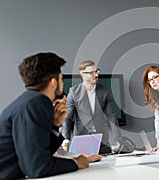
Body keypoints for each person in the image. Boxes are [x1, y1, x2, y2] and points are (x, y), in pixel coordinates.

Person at [0, 52, 102, 180]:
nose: (62, 83)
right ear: (54, 82)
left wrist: (55, 126)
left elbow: (40, 154)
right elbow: (37, 168)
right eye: (61, 79)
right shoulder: (37, 102)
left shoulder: (27, 101)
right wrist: (77, 163)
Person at [61, 60, 120, 154]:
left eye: (96, 71)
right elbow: (67, 118)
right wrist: (66, 139)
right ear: (82, 74)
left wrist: (117, 138)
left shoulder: (105, 90)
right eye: (92, 72)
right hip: (81, 140)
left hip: (102, 140)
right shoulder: (73, 92)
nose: (96, 75)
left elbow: (112, 116)